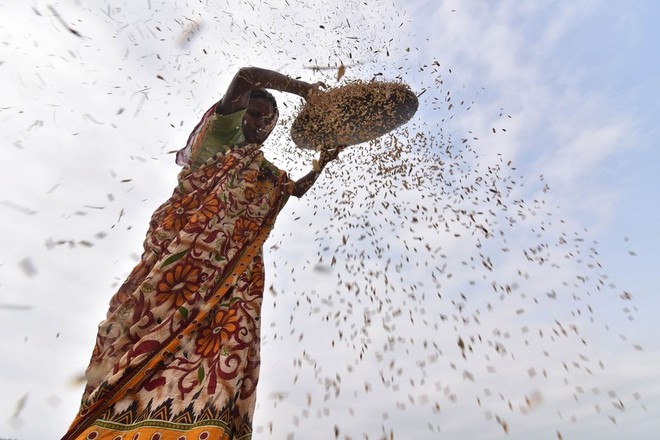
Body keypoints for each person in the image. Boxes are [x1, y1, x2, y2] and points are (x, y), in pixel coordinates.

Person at [63, 67, 342, 440]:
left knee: (223, 350)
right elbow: (245, 76)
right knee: (141, 343)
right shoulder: (219, 137)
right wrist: (303, 89)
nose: (260, 121)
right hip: (176, 274)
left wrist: (324, 161)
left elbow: (294, 190)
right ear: (239, 112)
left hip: (227, 285)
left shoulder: (262, 170)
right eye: (253, 112)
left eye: (268, 118)